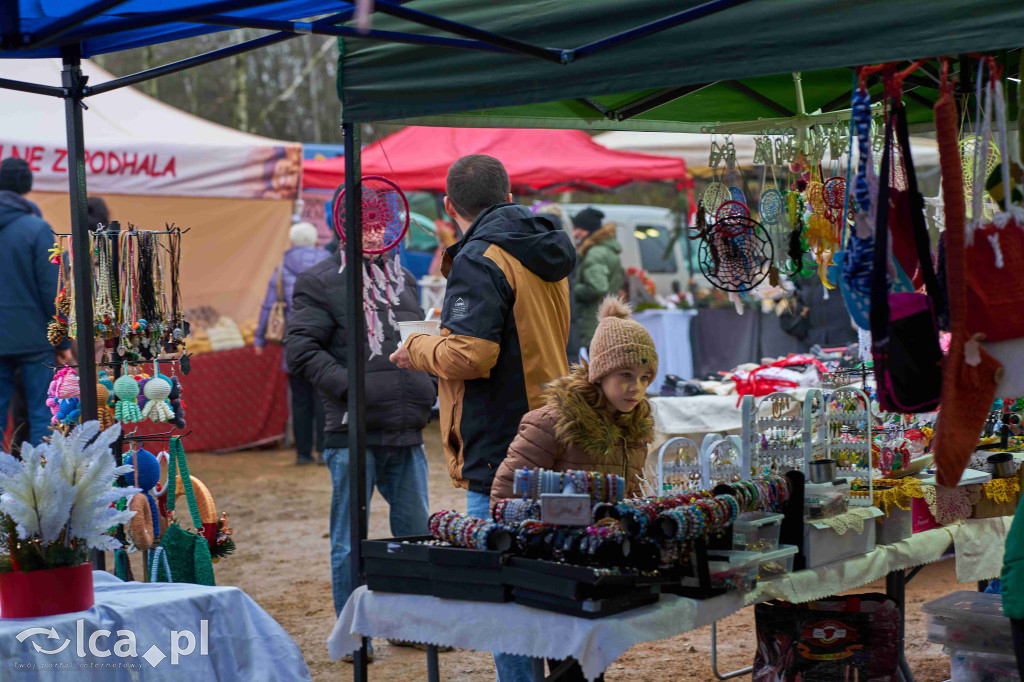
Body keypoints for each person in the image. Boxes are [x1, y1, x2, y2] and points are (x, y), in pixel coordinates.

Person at [390, 154, 574, 682]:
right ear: (511, 195)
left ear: (448, 207)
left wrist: (421, 346)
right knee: (555, 580)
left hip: (502, 449)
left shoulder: (480, 256)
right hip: (558, 431)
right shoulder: (545, 245)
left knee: (505, 593)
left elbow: (471, 356)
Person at [285, 241, 437, 654]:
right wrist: (353, 387)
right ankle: (354, 636)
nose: (372, 230)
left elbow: (417, 339)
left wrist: (429, 385)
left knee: (416, 536)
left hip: (406, 429)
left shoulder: (403, 277)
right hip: (352, 434)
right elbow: (300, 351)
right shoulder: (318, 280)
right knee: (350, 541)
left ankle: (412, 627)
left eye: (378, 220)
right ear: (342, 223)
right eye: (363, 219)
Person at [491, 297, 657, 504]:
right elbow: (505, 500)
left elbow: (633, 496)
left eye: (645, 378)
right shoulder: (550, 424)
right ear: (600, 373)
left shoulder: (635, 430)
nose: (637, 388)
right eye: (625, 375)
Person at [0, 158, 71, 447]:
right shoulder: (38, 229)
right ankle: (44, 483)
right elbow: (53, 290)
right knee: (44, 412)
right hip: (34, 337)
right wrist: (63, 341)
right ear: (27, 186)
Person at [255, 222, 331, 465]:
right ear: (315, 241)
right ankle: (324, 450)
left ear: (292, 242)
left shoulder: (281, 268)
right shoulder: (330, 264)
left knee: (300, 400)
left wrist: (259, 339)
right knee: (323, 397)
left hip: (294, 340)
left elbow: (269, 305)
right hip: (326, 339)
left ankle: (303, 454)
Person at [573, 207, 623, 351]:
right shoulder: (606, 249)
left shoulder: (595, 253)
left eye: (579, 228)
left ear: (589, 230)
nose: (575, 233)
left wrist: (572, 289)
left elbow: (597, 287)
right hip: (604, 318)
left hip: (593, 320)